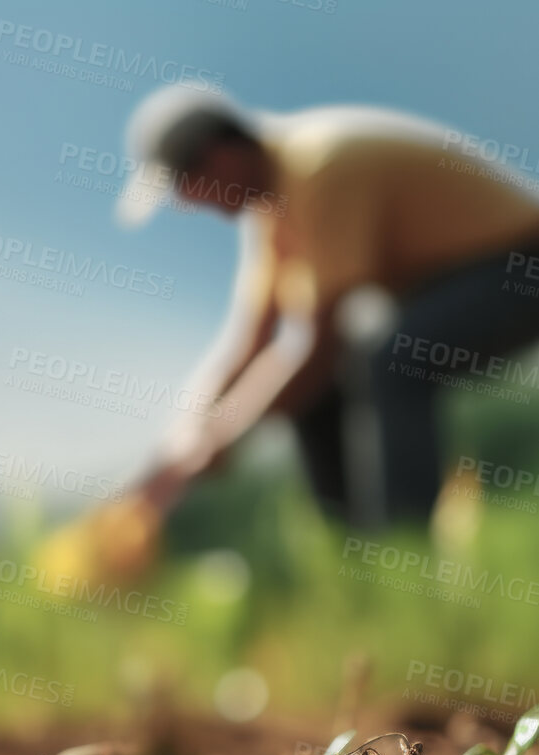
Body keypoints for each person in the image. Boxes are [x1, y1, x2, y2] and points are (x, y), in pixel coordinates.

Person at [120, 84, 539, 529]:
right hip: (444, 283)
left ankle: (404, 547)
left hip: (519, 266)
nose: (185, 205)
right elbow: (251, 340)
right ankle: (356, 550)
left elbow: (319, 345)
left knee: (391, 363)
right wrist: (176, 449)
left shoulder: (319, 167)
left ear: (217, 156)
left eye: (184, 187)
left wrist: (223, 439)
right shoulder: (273, 206)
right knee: (323, 390)